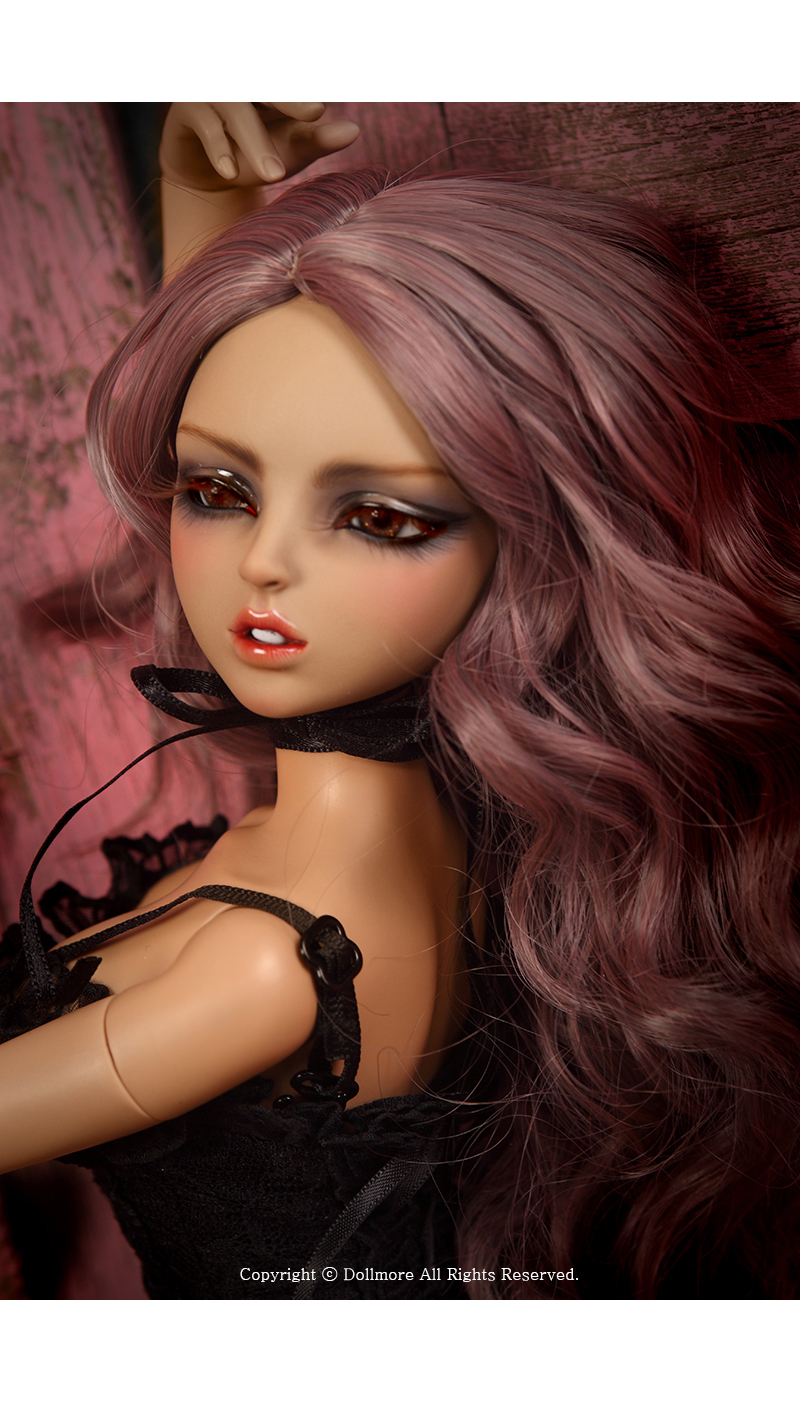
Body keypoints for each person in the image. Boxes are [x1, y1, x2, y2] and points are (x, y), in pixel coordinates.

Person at [1, 103, 799, 1299]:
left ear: (529, 549)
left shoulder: (269, 972)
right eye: (218, 492)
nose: (261, 565)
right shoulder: (443, 816)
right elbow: (254, 400)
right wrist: (207, 196)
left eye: (378, 517)